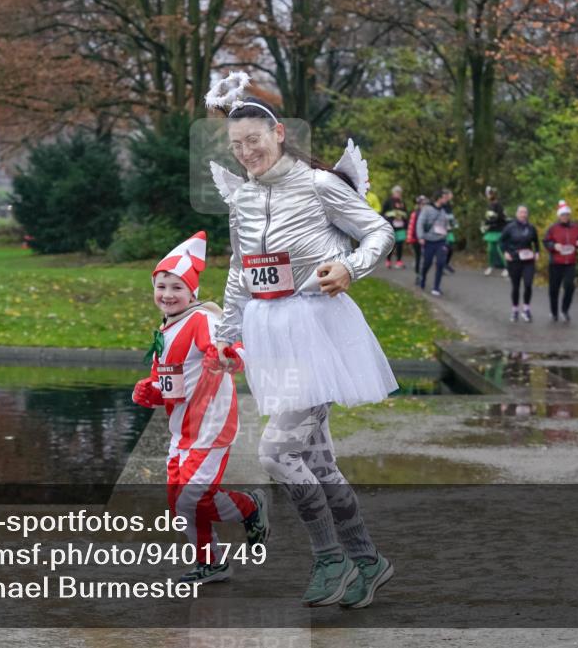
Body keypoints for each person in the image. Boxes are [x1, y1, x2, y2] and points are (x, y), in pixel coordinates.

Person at [207, 75, 397, 609]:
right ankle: (368, 561)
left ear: (279, 134)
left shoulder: (318, 185)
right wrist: (227, 335)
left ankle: (328, 558)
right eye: (237, 145)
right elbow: (240, 270)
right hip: (270, 335)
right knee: (318, 461)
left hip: (317, 328)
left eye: (255, 141)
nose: (247, 153)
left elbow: (378, 230)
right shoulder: (242, 197)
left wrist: (350, 266)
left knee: (274, 452)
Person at [132, 231, 269, 585]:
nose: (167, 294)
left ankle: (249, 506)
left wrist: (226, 356)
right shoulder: (165, 327)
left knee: (191, 499)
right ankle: (212, 564)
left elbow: (231, 348)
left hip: (211, 425)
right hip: (182, 430)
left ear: (192, 292)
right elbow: (168, 380)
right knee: (180, 506)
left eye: (176, 287)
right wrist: (150, 391)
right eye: (161, 286)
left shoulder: (201, 320)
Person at [543, 200, 578, 322]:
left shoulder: (576, 228)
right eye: (563, 215)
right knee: (554, 289)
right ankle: (554, 312)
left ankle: (565, 310)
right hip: (556, 262)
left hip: (570, 262)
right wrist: (553, 246)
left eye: (567, 215)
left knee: (569, 286)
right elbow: (546, 241)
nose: (565, 217)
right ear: (559, 216)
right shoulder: (553, 228)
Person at [500, 205, 540, 322]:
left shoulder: (531, 228)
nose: (523, 215)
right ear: (517, 214)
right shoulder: (510, 227)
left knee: (528, 284)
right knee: (516, 286)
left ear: (527, 214)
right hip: (514, 260)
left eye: (525, 212)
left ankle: (526, 309)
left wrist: (537, 252)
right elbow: (501, 241)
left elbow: (536, 242)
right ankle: (515, 310)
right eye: (521, 212)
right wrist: (505, 252)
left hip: (528, 260)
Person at [416, 192, 448, 296]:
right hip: (429, 241)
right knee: (427, 263)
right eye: (444, 197)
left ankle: (436, 287)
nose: (446, 199)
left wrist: (447, 231)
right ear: (439, 198)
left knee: (440, 263)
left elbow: (446, 225)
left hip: (441, 241)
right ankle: (422, 278)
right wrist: (420, 237)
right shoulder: (427, 209)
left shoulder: (444, 210)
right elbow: (420, 223)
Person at [481, 186, 507, 277]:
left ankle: (507, 268)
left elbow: (501, 217)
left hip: (499, 230)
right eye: (488, 194)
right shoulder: (490, 205)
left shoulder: (499, 205)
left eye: (490, 193)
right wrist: (485, 225)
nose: (488, 195)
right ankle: (491, 266)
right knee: (490, 250)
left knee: (500, 249)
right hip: (491, 231)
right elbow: (488, 218)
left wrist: (493, 220)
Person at [382, 186, 408, 269]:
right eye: (396, 192)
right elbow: (383, 213)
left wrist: (404, 222)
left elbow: (405, 214)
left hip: (400, 226)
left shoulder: (402, 202)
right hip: (391, 226)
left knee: (400, 244)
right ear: (393, 192)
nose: (398, 193)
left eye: (399, 192)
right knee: (392, 244)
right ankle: (388, 261)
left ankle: (399, 261)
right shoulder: (388, 201)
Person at [438, 189, 457, 273]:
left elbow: (451, 216)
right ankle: (441, 267)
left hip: (449, 230)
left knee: (451, 248)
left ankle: (446, 264)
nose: (450, 197)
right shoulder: (440, 205)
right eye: (448, 195)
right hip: (442, 230)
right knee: (444, 248)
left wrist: (454, 223)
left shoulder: (449, 205)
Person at [407, 195, 425, 275]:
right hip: (416, 239)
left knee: (424, 256)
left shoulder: (429, 214)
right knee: (418, 256)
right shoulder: (415, 214)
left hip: (426, 238)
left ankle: (421, 272)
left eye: (425, 204)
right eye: (422, 204)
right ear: (418, 204)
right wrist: (410, 238)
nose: (423, 205)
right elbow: (411, 226)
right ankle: (418, 273)